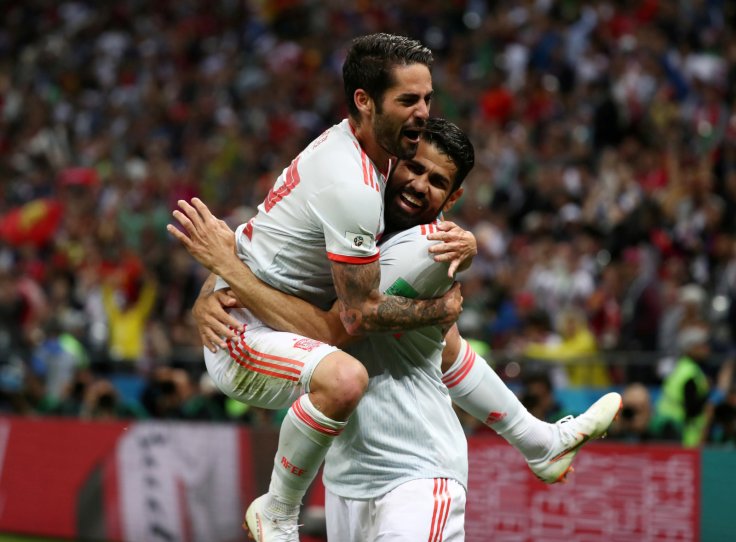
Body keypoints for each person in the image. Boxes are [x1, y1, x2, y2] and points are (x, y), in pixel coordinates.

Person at [175, 118, 622, 539]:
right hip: (347, 482)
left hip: (417, 473)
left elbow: (337, 326)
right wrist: (213, 288)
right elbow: (449, 353)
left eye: (438, 182)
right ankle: (541, 442)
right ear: (394, 163)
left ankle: (277, 510)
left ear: (454, 197)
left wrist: (228, 268)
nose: (419, 185)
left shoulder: (427, 249)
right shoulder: (357, 225)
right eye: (414, 168)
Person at [168, 34, 471, 541]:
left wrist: (467, 239)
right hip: (239, 333)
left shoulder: (384, 157)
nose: (423, 113)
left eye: (427, 98)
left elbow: (254, 237)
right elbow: (352, 320)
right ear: (364, 102)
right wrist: (440, 306)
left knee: (414, 355)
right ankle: (278, 511)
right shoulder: (351, 182)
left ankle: (539, 441)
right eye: (408, 101)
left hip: (266, 314)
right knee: (344, 377)